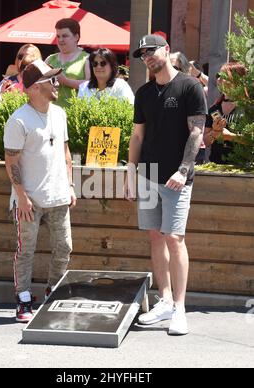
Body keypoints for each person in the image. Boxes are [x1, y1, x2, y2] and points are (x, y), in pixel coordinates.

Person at [125, 34, 207, 335]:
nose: (146, 57)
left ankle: (180, 309)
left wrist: (183, 170)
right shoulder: (144, 93)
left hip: (177, 178)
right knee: (155, 238)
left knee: (175, 238)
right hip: (147, 175)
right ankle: (165, 300)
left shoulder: (189, 86)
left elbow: (197, 132)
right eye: (142, 54)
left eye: (151, 51)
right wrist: (131, 174)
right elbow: (137, 136)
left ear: (166, 50)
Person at [4, 59, 77, 323]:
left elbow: (66, 152)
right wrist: (21, 197)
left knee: (64, 247)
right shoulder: (18, 120)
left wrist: (69, 185)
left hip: (58, 195)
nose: (57, 83)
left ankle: (53, 292)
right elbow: (10, 161)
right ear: (35, 87)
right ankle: (23, 299)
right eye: (51, 79)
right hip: (30, 200)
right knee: (26, 250)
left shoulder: (59, 113)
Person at [204, 62, 246, 164]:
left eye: (224, 76)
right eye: (218, 76)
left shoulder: (248, 108)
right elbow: (206, 142)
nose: (219, 79)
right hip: (217, 166)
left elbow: (251, 141)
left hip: (244, 169)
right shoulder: (214, 109)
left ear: (237, 80)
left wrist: (231, 136)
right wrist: (215, 132)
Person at [45, 18, 90, 108]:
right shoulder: (50, 59)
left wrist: (66, 81)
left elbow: (91, 86)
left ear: (76, 37)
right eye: (58, 36)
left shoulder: (86, 58)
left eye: (65, 36)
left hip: (76, 115)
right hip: (50, 113)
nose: (60, 40)